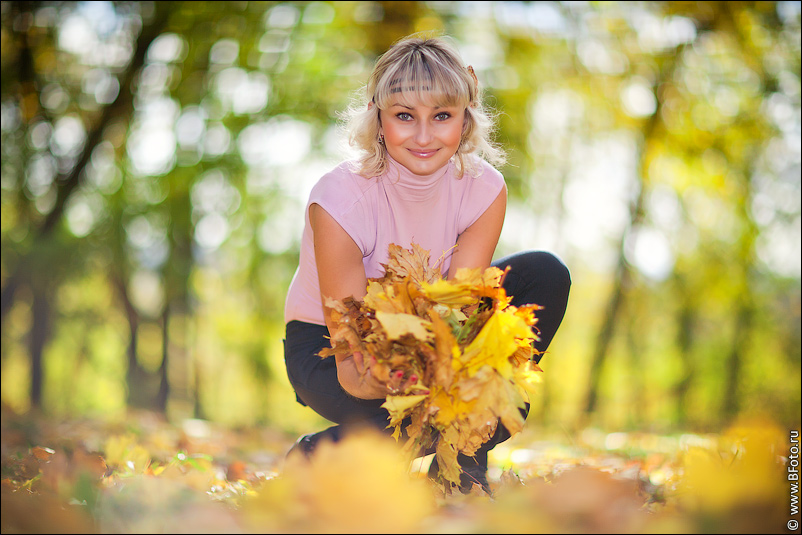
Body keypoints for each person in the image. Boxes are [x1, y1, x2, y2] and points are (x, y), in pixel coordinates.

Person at [282, 34, 571, 493]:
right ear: (378, 118)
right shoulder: (339, 200)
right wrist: (425, 389)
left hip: (429, 335)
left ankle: (462, 465)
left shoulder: (483, 188)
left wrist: (480, 388)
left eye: (441, 116)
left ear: (465, 116)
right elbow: (354, 370)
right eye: (403, 116)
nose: (423, 136)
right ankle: (322, 457)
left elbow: (459, 311)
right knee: (415, 419)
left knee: (544, 273)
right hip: (329, 353)